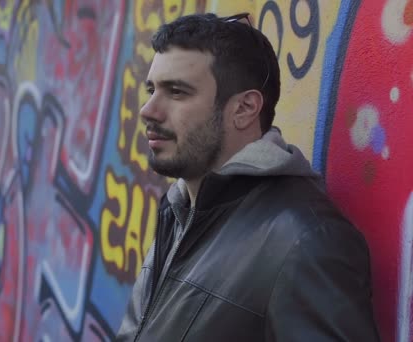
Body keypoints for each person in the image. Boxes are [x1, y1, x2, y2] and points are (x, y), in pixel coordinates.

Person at [116, 13, 380, 341]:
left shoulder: (304, 239)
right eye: (152, 89)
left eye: (177, 92)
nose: (148, 110)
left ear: (244, 109)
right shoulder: (182, 210)